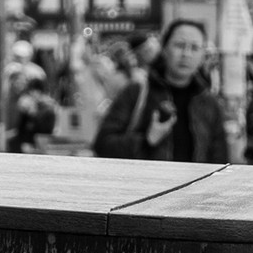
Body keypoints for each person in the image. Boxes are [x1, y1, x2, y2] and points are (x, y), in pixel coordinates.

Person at [93, 19, 230, 164]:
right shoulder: (137, 92)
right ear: (164, 48)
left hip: (196, 186)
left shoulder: (209, 102)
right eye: (180, 45)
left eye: (195, 48)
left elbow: (219, 159)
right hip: (148, 185)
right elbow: (102, 145)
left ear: (203, 55)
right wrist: (147, 139)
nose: (186, 54)